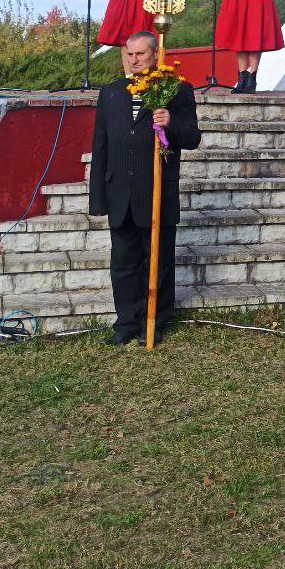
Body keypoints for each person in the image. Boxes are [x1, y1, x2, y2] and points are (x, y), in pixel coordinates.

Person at [88, 30, 201, 345]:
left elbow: (192, 138)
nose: (134, 60)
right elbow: (101, 146)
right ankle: (126, 323)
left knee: (159, 262)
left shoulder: (176, 91)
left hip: (157, 193)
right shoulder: (111, 93)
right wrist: (98, 198)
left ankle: (154, 321)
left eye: (140, 54)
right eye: (130, 54)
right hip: (120, 195)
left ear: (155, 54)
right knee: (123, 263)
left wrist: (171, 123)